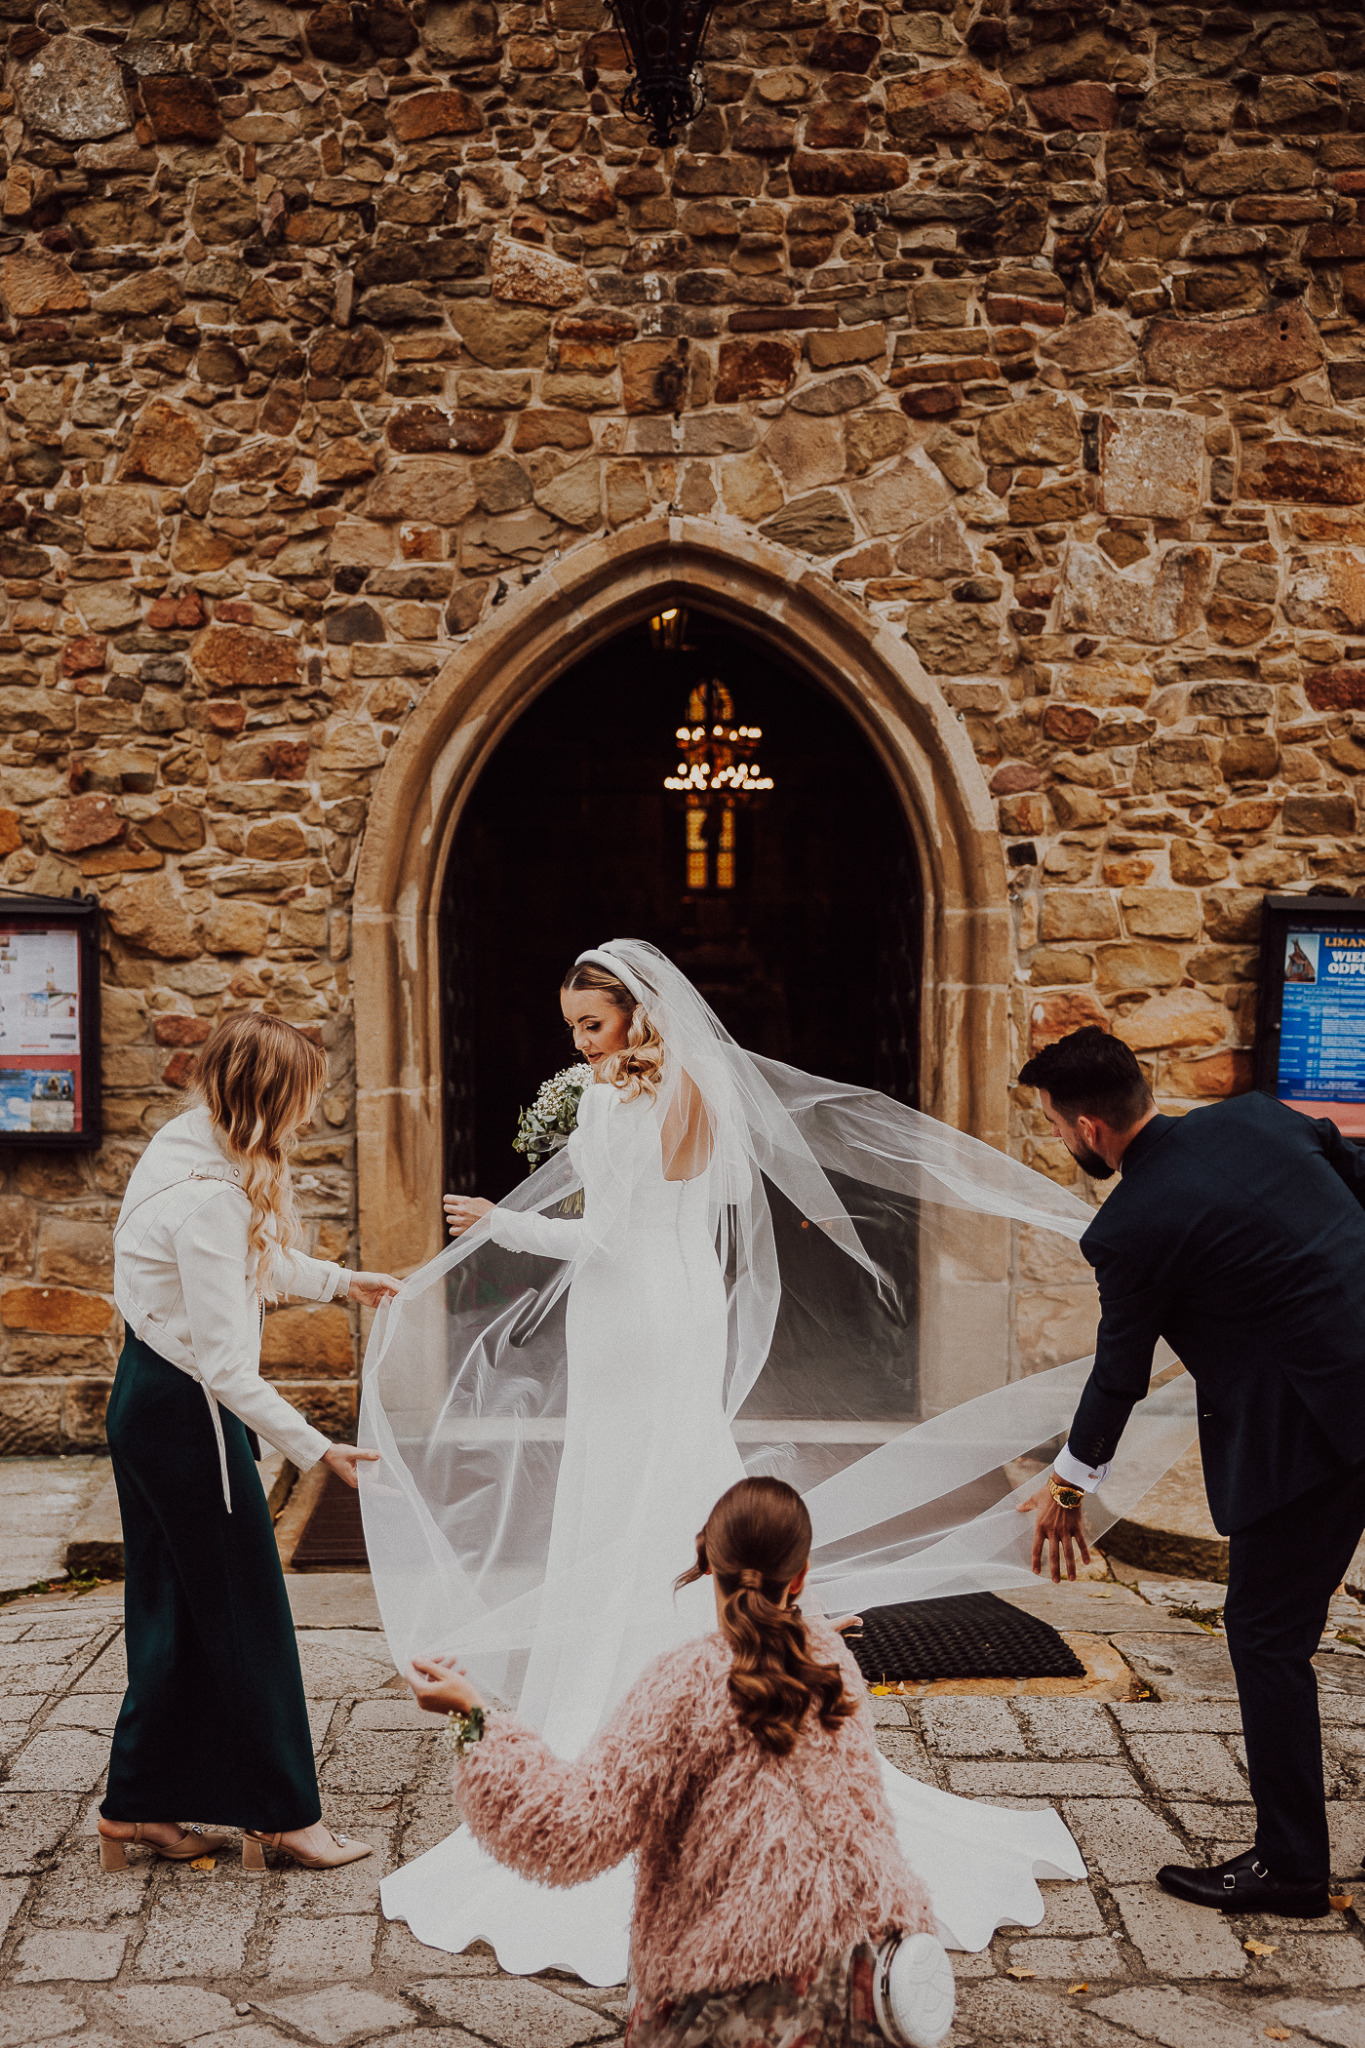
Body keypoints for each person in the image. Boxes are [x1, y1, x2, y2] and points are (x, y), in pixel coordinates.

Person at [364, 940, 1094, 1978]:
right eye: (573, 1030)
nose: (581, 1046)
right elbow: (687, 1219)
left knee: (625, 1490)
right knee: (681, 1478)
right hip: (682, 1309)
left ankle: (617, 1708)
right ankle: (719, 1682)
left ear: (636, 1015)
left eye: (593, 1026)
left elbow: (607, 1238)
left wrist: (506, 1223)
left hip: (627, 1310)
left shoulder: (621, 1104)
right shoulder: (697, 1089)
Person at [407, 1478, 956, 2048]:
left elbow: (569, 1830)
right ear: (800, 1575)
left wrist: (472, 1716)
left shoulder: (685, 1684)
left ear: (706, 1562)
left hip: (734, 1992)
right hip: (869, 1980)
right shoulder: (833, 1659)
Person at [1018, 1024, 1365, 1919]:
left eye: (1056, 1125)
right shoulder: (1260, 1117)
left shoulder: (1129, 1227)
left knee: (1264, 1635)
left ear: (1090, 1127)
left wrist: (1068, 1485)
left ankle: (1291, 1867)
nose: (1061, 1140)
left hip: (1314, 1440)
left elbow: (1117, 1373)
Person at [98, 1011, 400, 1875]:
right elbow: (229, 1368)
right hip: (187, 1412)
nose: (310, 1116)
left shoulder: (186, 1143)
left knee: (174, 1609)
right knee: (246, 1616)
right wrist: (319, 1450)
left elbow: (249, 1266)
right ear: (268, 1099)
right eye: (303, 1099)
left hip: (147, 1398)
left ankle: (137, 1809)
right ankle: (287, 1821)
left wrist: (345, 1283)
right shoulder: (212, 1201)